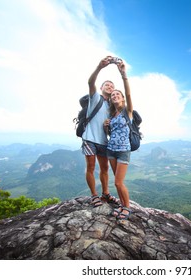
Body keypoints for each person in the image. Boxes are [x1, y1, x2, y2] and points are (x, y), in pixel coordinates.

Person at [82, 56, 119, 208]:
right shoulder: (95, 97)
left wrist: (109, 124)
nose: (110, 86)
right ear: (102, 87)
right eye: (107, 84)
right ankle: (94, 195)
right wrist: (99, 67)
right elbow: (90, 82)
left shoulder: (112, 106)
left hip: (103, 141)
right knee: (90, 167)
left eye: (112, 85)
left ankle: (105, 193)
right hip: (90, 138)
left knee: (105, 169)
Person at [104, 61, 133, 220]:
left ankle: (127, 207)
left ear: (122, 98)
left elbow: (129, 94)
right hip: (111, 150)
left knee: (118, 183)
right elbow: (110, 134)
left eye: (118, 94)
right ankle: (122, 205)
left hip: (123, 151)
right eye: (113, 95)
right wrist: (105, 126)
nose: (115, 95)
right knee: (116, 181)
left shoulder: (127, 112)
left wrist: (123, 75)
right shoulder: (111, 115)